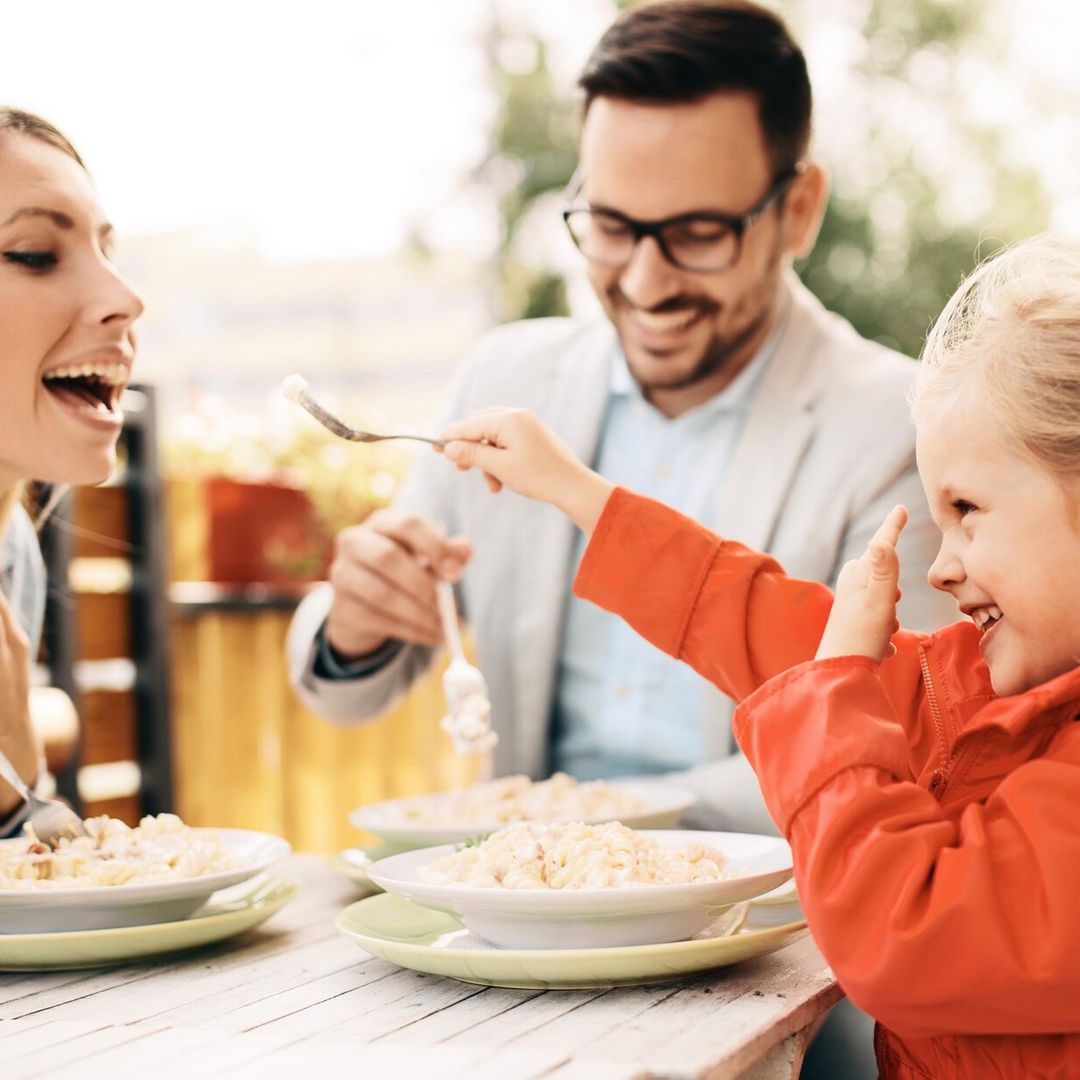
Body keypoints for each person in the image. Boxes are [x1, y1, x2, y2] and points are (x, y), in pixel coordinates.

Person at [288, 0, 953, 828]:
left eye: (699, 233)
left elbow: (907, 733)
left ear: (799, 208)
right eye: (610, 225)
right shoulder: (506, 377)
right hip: (536, 900)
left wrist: (590, 815)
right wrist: (356, 625)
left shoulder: (905, 429)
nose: (643, 283)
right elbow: (354, 694)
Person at [436, 232, 1080, 1077]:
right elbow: (768, 626)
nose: (939, 564)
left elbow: (903, 936)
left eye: (968, 509)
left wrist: (838, 690)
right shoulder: (1001, 695)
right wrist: (582, 496)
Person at [0, 107, 144, 838]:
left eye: (107, 250)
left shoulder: (11, 553)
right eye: (33, 254)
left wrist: (20, 801)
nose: (126, 298)